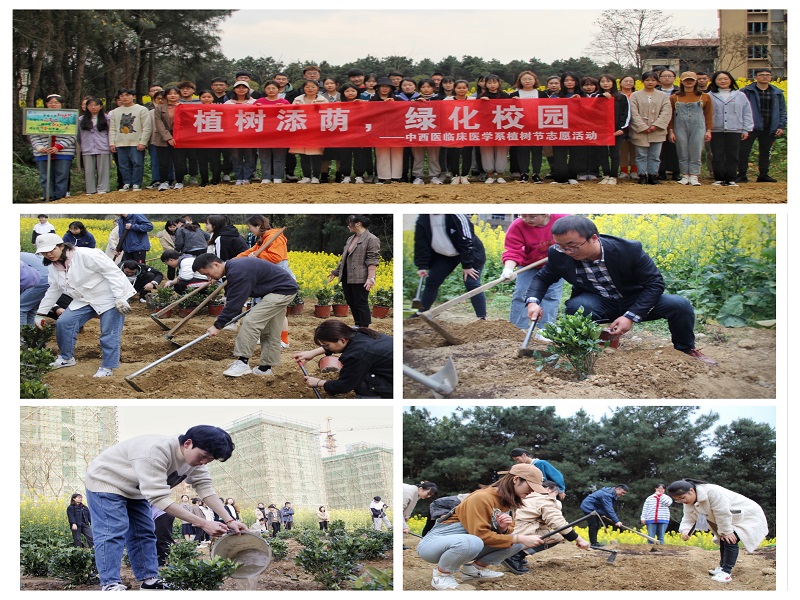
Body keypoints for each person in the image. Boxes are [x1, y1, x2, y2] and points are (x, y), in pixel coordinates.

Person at [525, 215, 717, 365]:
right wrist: (533, 301)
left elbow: (655, 284)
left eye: (572, 246)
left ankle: (686, 350)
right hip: (599, 301)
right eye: (561, 247)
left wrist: (631, 316)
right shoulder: (558, 254)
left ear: (594, 238)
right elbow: (543, 278)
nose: (567, 252)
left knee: (679, 304)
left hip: (635, 299)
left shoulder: (628, 250)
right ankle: (583, 352)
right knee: (578, 306)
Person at [83, 425, 248, 590]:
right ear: (188, 443)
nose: (204, 462)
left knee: (144, 533)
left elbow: (205, 488)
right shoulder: (155, 451)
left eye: (209, 460)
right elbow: (158, 497)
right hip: (106, 481)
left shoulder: (197, 461)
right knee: (112, 530)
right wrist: (203, 523)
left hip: (136, 490)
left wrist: (229, 520)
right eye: (203, 456)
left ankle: (149, 581)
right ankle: (110, 584)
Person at [416, 464, 546, 590]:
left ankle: (473, 570)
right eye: (531, 486)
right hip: (433, 545)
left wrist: (502, 528)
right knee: (475, 541)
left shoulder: (510, 503)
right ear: (516, 479)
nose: (532, 491)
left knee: (516, 543)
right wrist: (519, 537)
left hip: (467, 543)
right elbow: (480, 535)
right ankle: (441, 576)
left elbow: (507, 533)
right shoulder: (482, 497)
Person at [34, 233, 135, 378]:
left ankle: (108, 366)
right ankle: (66, 358)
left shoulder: (87, 255)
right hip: (84, 298)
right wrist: (40, 313)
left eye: (51, 250)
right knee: (64, 322)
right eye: (44, 252)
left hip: (109, 296)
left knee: (109, 332)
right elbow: (54, 289)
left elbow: (113, 273)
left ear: (61, 246)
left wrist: (119, 297)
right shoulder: (53, 266)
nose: (48, 254)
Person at [193, 254, 298, 377]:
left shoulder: (237, 271)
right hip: (281, 289)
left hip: (281, 291)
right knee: (270, 329)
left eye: (207, 274)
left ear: (216, 265)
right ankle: (265, 368)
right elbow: (233, 295)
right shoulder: (234, 268)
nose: (208, 277)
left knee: (251, 321)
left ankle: (242, 362)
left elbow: (235, 303)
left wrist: (217, 325)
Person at [667, 478, 768, 583]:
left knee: (729, 540)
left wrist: (726, 532)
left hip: (747, 516)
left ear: (691, 490)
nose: (682, 501)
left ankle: (726, 573)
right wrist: (685, 531)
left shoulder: (712, 492)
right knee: (723, 540)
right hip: (730, 519)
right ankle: (722, 568)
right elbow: (688, 519)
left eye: (682, 498)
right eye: (678, 500)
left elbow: (722, 513)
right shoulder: (688, 502)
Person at [500, 214, 569, 332]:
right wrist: (508, 269)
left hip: (555, 265)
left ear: (545, 213)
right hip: (529, 265)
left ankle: (545, 330)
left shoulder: (562, 220)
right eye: (523, 216)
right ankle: (517, 329)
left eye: (532, 216)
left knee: (551, 296)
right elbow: (513, 250)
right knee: (522, 294)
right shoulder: (518, 226)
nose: (528, 220)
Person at [293, 320, 393, 398]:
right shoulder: (357, 333)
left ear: (342, 340)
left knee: (360, 381)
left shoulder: (357, 354)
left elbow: (345, 385)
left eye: (327, 345)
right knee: (357, 371)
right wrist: (312, 353)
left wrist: (319, 382)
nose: (326, 347)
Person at [506, 480, 590, 573]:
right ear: (548, 489)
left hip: (507, 534)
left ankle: (515, 554)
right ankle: (515, 556)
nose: (555, 498)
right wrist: (579, 539)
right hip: (516, 536)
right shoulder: (544, 500)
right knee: (558, 535)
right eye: (555, 494)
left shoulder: (525, 497)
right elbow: (559, 524)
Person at [413, 214, 486, 319]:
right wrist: (422, 265)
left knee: (471, 282)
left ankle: (482, 318)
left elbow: (466, 239)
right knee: (432, 280)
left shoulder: (456, 215)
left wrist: (467, 265)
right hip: (445, 255)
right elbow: (421, 243)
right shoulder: (423, 218)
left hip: (470, 251)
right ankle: (421, 314)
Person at [236, 215, 292, 348]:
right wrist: (234, 261)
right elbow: (251, 251)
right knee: (266, 310)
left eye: (250, 228)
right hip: (268, 279)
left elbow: (276, 257)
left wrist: (258, 255)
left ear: (258, 226)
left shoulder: (275, 237)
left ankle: (283, 340)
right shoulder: (263, 238)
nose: (250, 231)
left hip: (279, 281)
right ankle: (265, 337)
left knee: (277, 312)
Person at [328, 215, 381, 328]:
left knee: (361, 303)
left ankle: (364, 328)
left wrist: (371, 277)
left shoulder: (372, 239)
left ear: (358, 224)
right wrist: (336, 272)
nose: (348, 226)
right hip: (347, 276)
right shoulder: (350, 238)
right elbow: (344, 258)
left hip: (361, 277)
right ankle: (357, 324)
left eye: (350, 223)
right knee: (351, 301)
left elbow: (372, 259)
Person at [738, 68, 786, 183]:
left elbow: (782, 110)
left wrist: (781, 126)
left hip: (769, 126)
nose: (765, 77)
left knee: (765, 151)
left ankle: (763, 175)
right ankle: (742, 174)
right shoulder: (746, 91)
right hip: (751, 127)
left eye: (768, 75)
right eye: (761, 75)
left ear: (771, 77)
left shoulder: (777, 92)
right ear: (755, 77)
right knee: (743, 151)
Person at [708, 70, 754, 187]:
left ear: (731, 80)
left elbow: (747, 112)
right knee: (717, 155)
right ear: (714, 81)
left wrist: (746, 129)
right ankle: (719, 178)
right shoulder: (709, 96)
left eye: (725, 79)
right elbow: (706, 113)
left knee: (733, 155)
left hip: (735, 129)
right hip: (716, 130)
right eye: (719, 79)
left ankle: (731, 179)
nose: (723, 81)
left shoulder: (740, 95)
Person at [668, 72, 714, 186]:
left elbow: (708, 115)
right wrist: (671, 131)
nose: (689, 82)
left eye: (691, 80)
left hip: (698, 127)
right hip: (680, 127)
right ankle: (684, 175)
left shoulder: (705, 97)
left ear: (695, 81)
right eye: (686, 80)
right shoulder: (674, 97)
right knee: (682, 150)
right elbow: (670, 116)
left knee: (696, 150)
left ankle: (694, 175)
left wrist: (709, 130)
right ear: (681, 81)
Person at [29, 94, 76, 201]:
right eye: (50, 102)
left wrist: (58, 147)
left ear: (61, 104)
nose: (53, 105)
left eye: (56, 103)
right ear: (46, 104)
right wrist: (40, 147)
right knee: (45, 177)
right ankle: (48, 198)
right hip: (43, 152)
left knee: (62, 176)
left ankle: (60, 199)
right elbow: (33, 134)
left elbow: (72, 135)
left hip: (64, 152)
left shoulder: (69, 117)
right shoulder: (38, 117)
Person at [628, 71, 672, 185]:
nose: (650, 82)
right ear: (643, 81)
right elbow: (633, 112)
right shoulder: (635, 95)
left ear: (657, 82)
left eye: (653, 80)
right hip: (640, 131)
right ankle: (642, 175)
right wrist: (642, 126)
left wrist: (656, 125)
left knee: (655, 155)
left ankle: (653, 175)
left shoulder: (663, 96)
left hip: (657, 130)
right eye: (647, 80)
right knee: (641, 155)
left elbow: (666, 112)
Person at [108, 88, 151, 191]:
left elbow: (147, 127)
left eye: (127, 95)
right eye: (122, 95)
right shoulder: (115, 112)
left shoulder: (141, 109)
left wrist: (143, 142)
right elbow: (112, 128)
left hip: (136, 142)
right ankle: (127, 183)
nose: (125, 98)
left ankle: (136, 183)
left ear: (134, 96)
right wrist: (112, 143)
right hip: (120, 142)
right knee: (123, 165)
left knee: (137, 163)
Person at [290, 79, 328, 183]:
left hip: (316, 131)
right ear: (303, 88)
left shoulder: (323, 100)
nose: (310, 89)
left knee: (316, 154)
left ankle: (315, 176)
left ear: (318, 88)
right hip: (301, 130)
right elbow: (291, 113)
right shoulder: (297, 99)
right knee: (303, 155)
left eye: (313, 87)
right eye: (307, 87)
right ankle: (306, 176)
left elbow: (327, 114)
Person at [225, 81, 258, 185]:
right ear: (234, 89)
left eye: (244, 87)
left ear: (248, 90)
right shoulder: (228, 103)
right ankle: (238, 177)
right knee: (236, 156)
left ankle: (247, 177)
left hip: (250, 134)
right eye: (238, 87)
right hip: (233, 135)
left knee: (250, 156)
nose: (241, 89)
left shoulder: (254, 102)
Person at [78, 98, 112, 194]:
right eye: (90, 105)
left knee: (103, 170)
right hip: (87, 147)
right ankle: (90, 189)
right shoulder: (80, 119)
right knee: (88, 170)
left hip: (103, 146)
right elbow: (78, 136)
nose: (93, 107)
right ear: (86, 107)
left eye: (96, 105)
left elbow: (111, 132)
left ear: (100, 106)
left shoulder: (107, 118)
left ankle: (103, 188)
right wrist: (83, 144)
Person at [20, 252, 50, 326]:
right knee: (31, 309)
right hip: (51, 277)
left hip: (41, 278)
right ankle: (29, 332)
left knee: (20, 308)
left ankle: (22, 333)